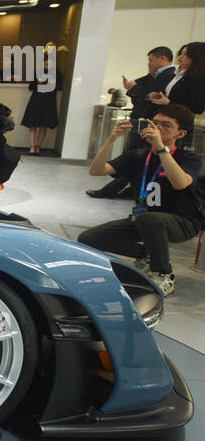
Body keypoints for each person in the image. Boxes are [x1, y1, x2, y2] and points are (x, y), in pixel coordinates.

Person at [79, 103, 202, 295]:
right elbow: (96, 171)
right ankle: (146, 255)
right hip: (143, 220)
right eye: (155, 123)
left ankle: (163, 273)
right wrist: (111, 139)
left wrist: (161, 149)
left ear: (181, 134)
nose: (157, 128)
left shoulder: (189, 158)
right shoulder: (138, 156)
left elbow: (181, 183)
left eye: (166, 125)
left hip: (183, 222)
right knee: (88, 238)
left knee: (150, 219)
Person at [89, 46, 178, 198]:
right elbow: (141, 95)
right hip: (142, 119)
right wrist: (134, 89)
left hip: (150, 122)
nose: (149, 63)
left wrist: (136, 88)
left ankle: (113, 190)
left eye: (151, 59)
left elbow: (152, 96)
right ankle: (123, 190)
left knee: (138, 156)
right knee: (136, 157)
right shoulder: (156, 76)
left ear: (163, 58)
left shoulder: (169, 76)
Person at [22, 47, 64, 155]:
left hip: (49, 102)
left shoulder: (57, 74)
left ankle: (38, 146)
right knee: (33, 125)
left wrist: (49, 82)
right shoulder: (38, 72)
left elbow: (59, 88)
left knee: (44, 125)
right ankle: (31, 147)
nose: (47, 67)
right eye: (45, 65)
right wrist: (39, 83)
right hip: (36, 100)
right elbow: (30, 87)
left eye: (49, 65)